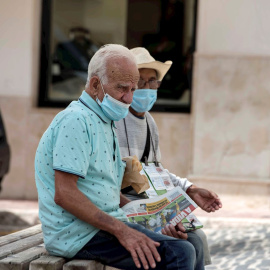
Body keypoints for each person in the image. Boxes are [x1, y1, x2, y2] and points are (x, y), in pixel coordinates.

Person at [35, 44, 205, 270]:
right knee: (179, 253)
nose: (128, 98)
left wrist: (155, 220)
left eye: (133, 89)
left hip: (102, 226)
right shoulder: (76, 120)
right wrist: (123, 230)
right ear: (95, 84)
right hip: (78, 234)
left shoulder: (104, 120)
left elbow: (108, 193)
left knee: (190, 240)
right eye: (122, 88)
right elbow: (65, 194)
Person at [115, 47, 223, 266]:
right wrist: (149, 222)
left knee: (197, 238)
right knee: (183, 247)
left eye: (152, 82)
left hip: (152, 205)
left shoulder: (150, 123)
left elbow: (156, 171)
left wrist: (190, 189)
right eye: (140, 82)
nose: (146, 88)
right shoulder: (114, 119)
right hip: (125, 210)